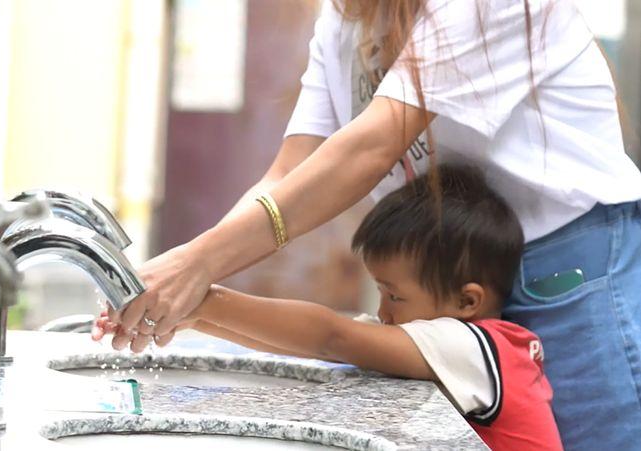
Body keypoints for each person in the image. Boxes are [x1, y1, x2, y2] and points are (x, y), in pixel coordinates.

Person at [96, 1, 641, 449]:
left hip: (564, 267)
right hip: (447, 269)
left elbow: (370, 147)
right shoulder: (344, 20)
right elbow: (289, 173)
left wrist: (198, 270)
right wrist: (186, 281)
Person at [94, 165, 561, 449]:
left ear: (467, 301)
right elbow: (311, 346)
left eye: (395, 295)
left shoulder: (475, 348)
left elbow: (329, 336)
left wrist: (203, 295)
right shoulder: (460, 345)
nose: (384, 311)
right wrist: (193, 315)